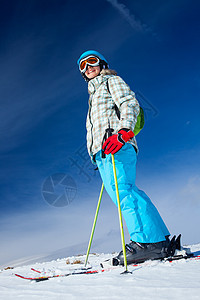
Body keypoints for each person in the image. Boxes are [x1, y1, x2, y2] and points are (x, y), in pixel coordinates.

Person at [77, 50, 171, 265]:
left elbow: (130, 103)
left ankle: (147, 243)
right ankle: (158, 239)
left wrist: (123, 132)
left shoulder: (111, 81)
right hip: (103, 152)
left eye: (92, 61)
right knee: (127, 192)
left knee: (125, 194)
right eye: (83, 65)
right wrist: (97, 153)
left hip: (117, 144)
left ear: (101, 63)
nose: (88, 67)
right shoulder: (94, 95)